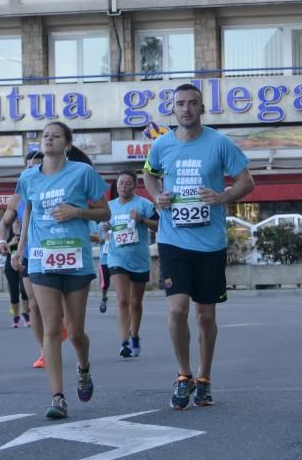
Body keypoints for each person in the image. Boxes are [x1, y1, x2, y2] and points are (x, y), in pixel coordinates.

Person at [143, 83, 255, 410]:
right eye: (181, 104)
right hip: (173, 239)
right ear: (173, 110)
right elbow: (149, 175)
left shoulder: (219, 143)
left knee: (205, 316)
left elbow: (247, 181)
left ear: (201, 108)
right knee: (177, 310)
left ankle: (204, 378)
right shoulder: (161, 145)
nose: (187, 109)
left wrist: (222, 197)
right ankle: (183, 374)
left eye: (193, 103)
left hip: (209, 243)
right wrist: (155, 196)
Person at [12, 122, 109, 419]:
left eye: (55, 136)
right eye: (45, 136)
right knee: (52, 326)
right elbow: (28, 211)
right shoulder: (28, 177)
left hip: (75, 258)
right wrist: (20, 246)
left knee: (76, 331)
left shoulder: (83, 173)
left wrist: (76, 212)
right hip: (42, 258)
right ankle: (57, 397)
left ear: (67, 143)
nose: (48, 139)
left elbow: (105, 212)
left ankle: (83, 367)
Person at [0, 150, 48, 368]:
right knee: (34, 304)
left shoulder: (56, 189)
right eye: (29, 167)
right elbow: (4, 223)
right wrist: (1, 241)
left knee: (56, 306)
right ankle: (45, 351)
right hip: (29, 254)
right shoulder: (18, 197)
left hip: (56, 252)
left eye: (37, 166)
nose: (32, 170)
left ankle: (60, 325)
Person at [105, 170, 159, 358]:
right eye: (120, 183)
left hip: (139, 259)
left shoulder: (144, 204)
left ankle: (134, 335)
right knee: (122, 299)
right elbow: (103, 231)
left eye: (128, 183)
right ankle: (124, 342)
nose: (123, 186)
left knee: (136, 302)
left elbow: (159, 225)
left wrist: (142, 220)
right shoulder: (109, 207)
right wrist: (105, 228)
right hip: (117, 257)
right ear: (116, 186)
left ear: (135, 186)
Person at [3, 218, 29, 327]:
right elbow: (2, 249)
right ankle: (16, 317)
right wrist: (11, 243)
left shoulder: (25, 229)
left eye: (19, 220)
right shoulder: (7, 231)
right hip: (11, 264)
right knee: (14, 291)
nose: (17, 222)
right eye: (15, 220)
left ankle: (26, 314)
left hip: (23, 262)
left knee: (24, 290)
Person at [94, 220, 110, 313]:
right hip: (105, 259)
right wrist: (103, 239)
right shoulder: (100, 225)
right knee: (105, 284)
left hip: (118, 259)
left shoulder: (115, 221)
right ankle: (104, 298)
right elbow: (95, 237)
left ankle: (122, 304)